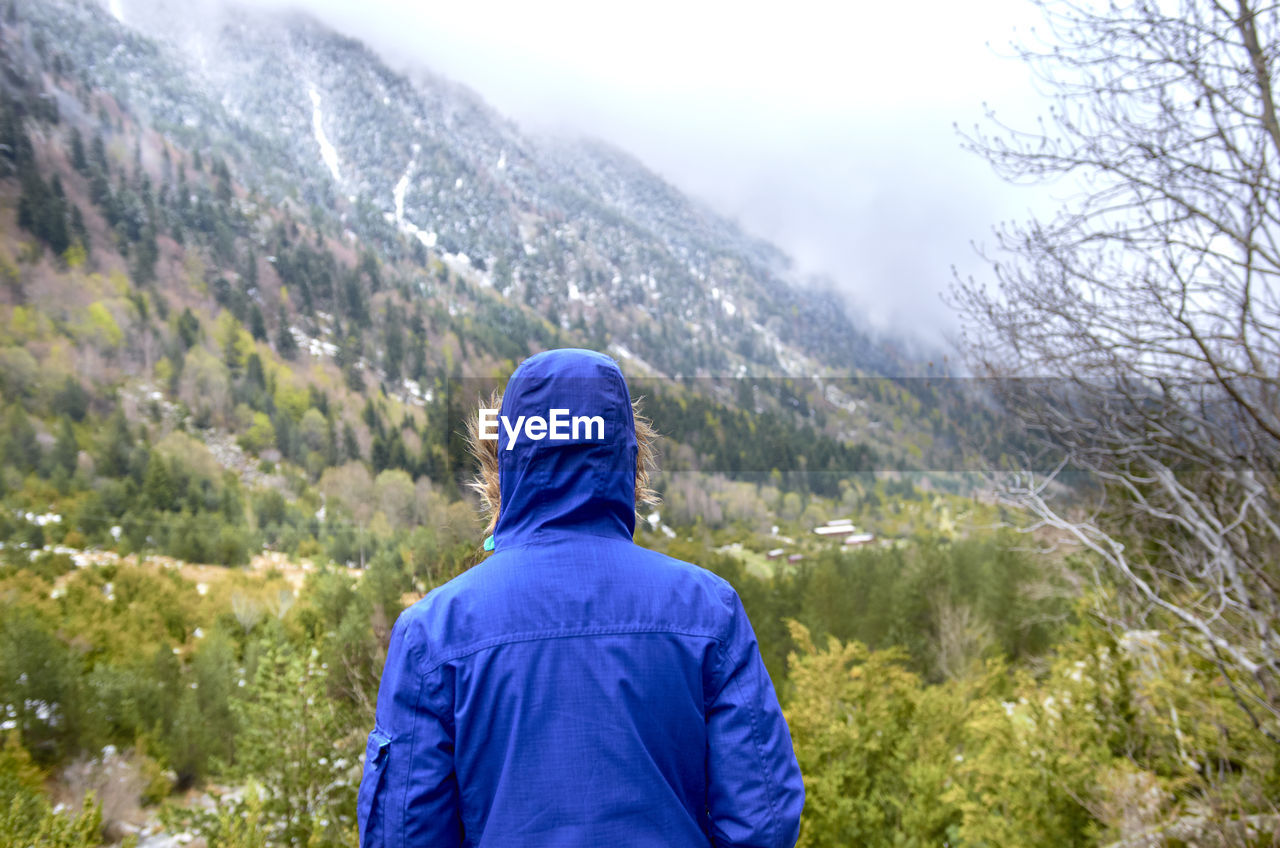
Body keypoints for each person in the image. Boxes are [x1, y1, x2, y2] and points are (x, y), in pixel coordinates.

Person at [357, 348, 804, 847]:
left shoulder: (432, 632)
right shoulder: (708, 611)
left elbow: (402, 833)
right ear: (630, 459)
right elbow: (762, 820)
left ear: (502, 462)